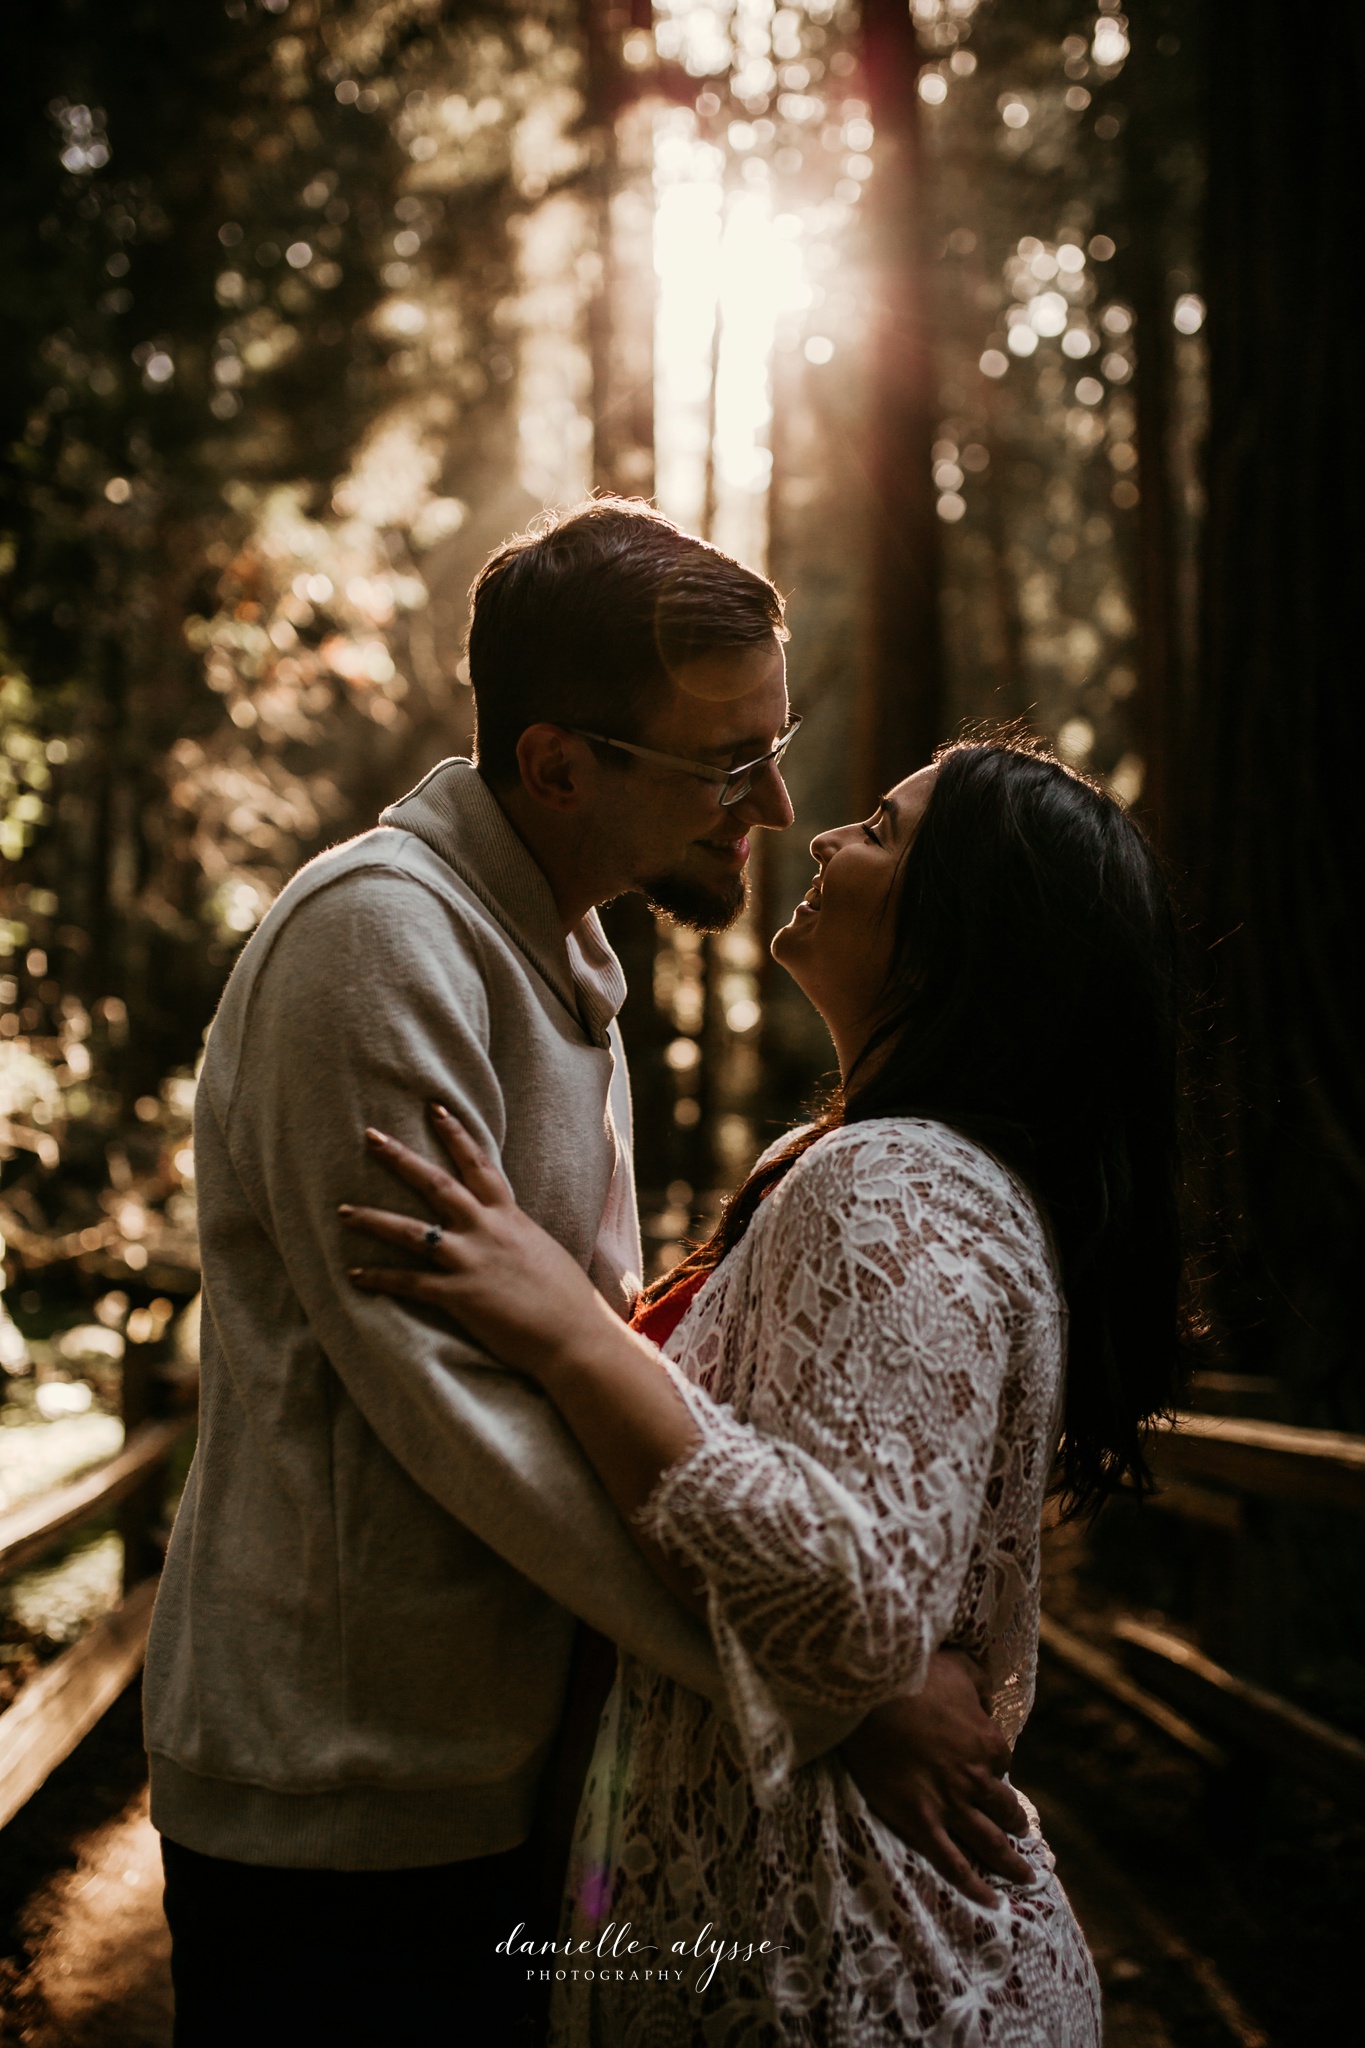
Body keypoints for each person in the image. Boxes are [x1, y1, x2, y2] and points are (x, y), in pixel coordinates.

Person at [144, 501, 1027, 2048]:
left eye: (775, 740)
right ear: (554, 765)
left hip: (513, 1780)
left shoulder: (564, 967)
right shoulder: (381, 943)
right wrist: (831, 1693)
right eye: (718, 762)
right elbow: (457, 1417)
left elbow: (592, 1373)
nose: (771, 802)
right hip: (341, 1803)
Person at [345, 734, 1186, 2044]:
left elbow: (848, 1619)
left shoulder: (897, 1184)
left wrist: (571, 1336)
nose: (828, 838)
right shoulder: (861, 1163)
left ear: (963, 931)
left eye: (887, 833)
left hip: (849, 1976)